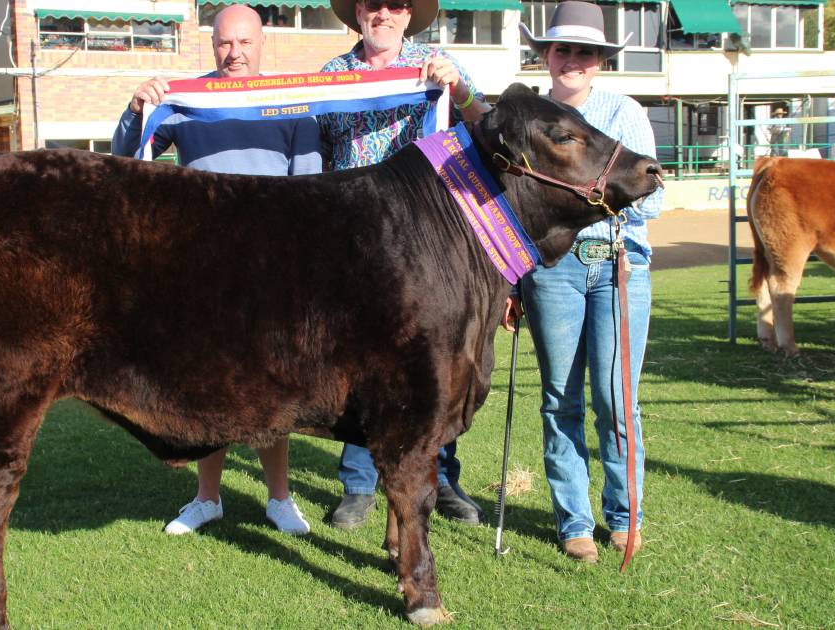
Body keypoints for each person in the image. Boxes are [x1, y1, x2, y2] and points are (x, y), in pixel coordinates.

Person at [111, 4, 321, 536]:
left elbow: (310, 190)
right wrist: (137, 110)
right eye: (226, 43)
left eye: (245, 43)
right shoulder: (186, 100)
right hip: (201, 272)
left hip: (272, 271)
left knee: (275, 385)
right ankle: (207, 498)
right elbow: (129, 160)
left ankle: (279, 498)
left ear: (262, 44)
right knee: (210, 384)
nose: (236, 53)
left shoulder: (291, 103)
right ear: (212, 46)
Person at [319, 0, 492, 529]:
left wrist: (458, 91)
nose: (384, 13)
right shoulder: (330, 75)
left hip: (426, 241)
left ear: (408, 14)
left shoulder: (438, 63)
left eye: (396, 4)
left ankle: (441, 479)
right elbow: (314, 148)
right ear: (359, 12)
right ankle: (358, 484)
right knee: (355, 361)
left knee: (433, 361)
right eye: (373, 3)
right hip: (353, 240)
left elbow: (486, 127)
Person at [505, 1, 663, 563]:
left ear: (599, 60)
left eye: (585, 51)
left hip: (620, 264)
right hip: (552, 271)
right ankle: (574, 520)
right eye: (563, 49)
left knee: (617, 400)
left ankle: (624, 516)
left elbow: (654, 194)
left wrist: (594, 205)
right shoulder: (529, 118)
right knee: (558, 400)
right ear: (547, 55)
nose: (573, 59)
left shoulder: (624, 112)